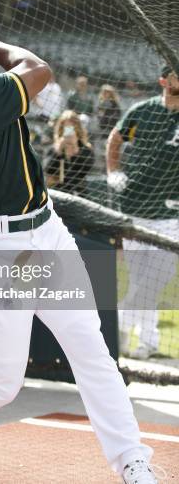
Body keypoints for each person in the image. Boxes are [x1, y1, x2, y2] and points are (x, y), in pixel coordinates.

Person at [0, 3, 156, 484]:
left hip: (45, 231)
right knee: (1, 381)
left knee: (91, 352)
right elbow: (39, 70)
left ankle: (131, 461)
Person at [107, 65, 179, 360]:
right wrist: (113, 172)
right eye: (176, 73)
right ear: (164, 80)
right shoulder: (142, 109)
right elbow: (114, 138)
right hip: (134, 207)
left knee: (156, 278)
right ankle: (147, 342)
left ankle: (118, 328)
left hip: (172, 214)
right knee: (139, 279)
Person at [45, 110, 94, 196]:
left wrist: (75, 150)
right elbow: (47, 170)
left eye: (71, 128)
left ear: (77, 129)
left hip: (79, 193)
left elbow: (85, 170)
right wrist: (58, 151)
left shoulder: (85, 149)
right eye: (66, 128)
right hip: (57, 192)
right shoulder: (54, 149)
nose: (69, 132)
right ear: (61, 129)